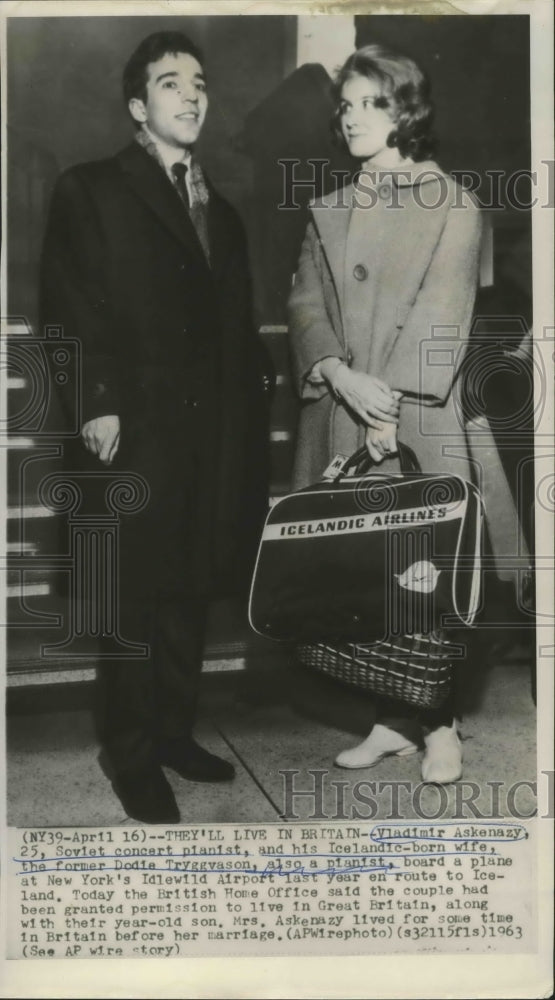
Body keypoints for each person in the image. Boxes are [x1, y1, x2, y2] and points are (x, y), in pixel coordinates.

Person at [40, 32, 270, 823]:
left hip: (211, 436)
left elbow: (236, 334)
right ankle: (131, 757)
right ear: (138, 106)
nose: (191, 94)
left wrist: (246, 436)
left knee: (188, 590)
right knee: (134, 600)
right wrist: (96, 402)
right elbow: (70, 308)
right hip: (132, 427)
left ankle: (172, 735)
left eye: (200, 82)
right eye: (171, 83)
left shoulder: (224, 213)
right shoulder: (92, 189)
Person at [288, 44, 483, 784]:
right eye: (344, 105)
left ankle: (441, 725)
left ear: (406, 110)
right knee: (364, 579)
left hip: (419, 419)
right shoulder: (327, 206)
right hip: (345, 405)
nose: (351, 118)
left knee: (426, 574)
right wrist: (338, 373)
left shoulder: (452, 204)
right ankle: (393, 719)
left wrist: (387, 406)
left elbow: (444, 316)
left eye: (370, 102)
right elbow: (304, 299)